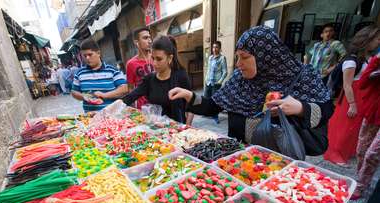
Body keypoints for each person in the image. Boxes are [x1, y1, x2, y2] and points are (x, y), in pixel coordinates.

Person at [168, 26, 333, 143]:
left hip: (280, 167)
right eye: (238, 57)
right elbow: (213, 105)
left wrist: (300, 108)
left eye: (244, 57)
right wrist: (189, 95)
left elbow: (327, 109)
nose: (239, 63)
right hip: (239, 159)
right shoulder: (240, 79)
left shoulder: (302, 75)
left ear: (265, 55)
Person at [324, 25, 380, 168]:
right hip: (351, 96)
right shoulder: (352, 60)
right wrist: (353, 104)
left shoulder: (371, 57)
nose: (378, 42)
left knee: (356, 126)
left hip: (364, 95)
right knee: (344, 127)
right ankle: (336, 154)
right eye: (377, 39)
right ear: (368, 39)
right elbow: (347, 85)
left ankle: (349, 151)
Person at [121, 36, 194, 125]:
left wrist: (187, 126)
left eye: (159, 59)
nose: (154, 63)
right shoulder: (149, 79)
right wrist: (111, 107)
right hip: (156, 131)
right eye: (153, 58)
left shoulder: (180, 76)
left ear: (170, 58)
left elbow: (191, 102)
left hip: (178, 131)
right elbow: (130, 97)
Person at [350, 51, 380, 199]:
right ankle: (363, 179)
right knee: (361, 150)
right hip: (373, 111)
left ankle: (360, 184)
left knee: (372, 153)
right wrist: (376, 60)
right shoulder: (377, 62)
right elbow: (362, 84)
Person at [72, 40, 128, 112]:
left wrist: (105, 95)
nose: (87, 58)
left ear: (98, 53)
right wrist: (84, 96)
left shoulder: (112, 71)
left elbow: (124, 89)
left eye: (90, 55)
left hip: (112, 117)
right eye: (85, 56)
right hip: (90, 117)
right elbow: (74, 92)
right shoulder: (80, 73)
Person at [126, 27, 154, 109]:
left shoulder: (156, 59)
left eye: (149, 37)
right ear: (136, 42)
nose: (149, 41)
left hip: (159, 106)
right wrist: (134, 109)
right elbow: (131, 89)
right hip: (143, 109)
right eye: (145, 38)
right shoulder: (130, 64)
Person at [204, 41, 228, 124]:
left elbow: (225, 72)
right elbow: (209, 69)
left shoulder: (222, 58)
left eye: (216, 47)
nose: (215, 49)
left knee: (215, 100)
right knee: (206, 98)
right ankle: (207, 113)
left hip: (216, 83)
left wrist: (220, 81)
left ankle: (215, 116)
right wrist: (206, 78)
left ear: (220, 48)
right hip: (209, 82)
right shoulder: (210, 58)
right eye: (213, 47)